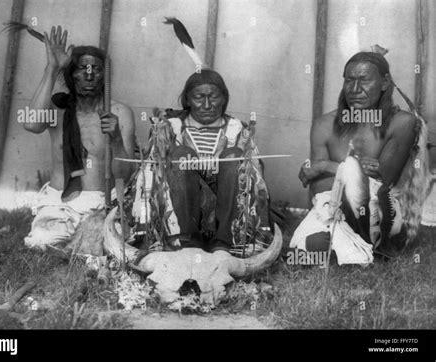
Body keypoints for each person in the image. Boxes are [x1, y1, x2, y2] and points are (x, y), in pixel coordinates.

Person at [292, 51, 424, 263]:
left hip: (381, 213)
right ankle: (361, 248)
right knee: (311, 247)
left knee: (366, 199)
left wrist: (326, 166)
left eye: (364, 81)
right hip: (332, 209)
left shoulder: (402, 123)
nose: (354, 90)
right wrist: (352, 169)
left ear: (384, 83)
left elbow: (383, 181)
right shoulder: (324, 124)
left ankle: (371, 243)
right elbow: (318, 188)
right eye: (349, 81)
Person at [23, 26, 136, 251]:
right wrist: (52, 67)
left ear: (106, 75)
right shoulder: (58, 108)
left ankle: (86, 238)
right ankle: (79, 241)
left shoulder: (119, 113)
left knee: (116, 243)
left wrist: (115, 140)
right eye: (82, 68)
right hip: (60, 203)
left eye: (96, 68)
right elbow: (32, 124)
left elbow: (125, 174)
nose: (89, 74)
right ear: (70, 74)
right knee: (43, 239)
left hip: (102, 201)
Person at [140, 69, 271, 254]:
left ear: (224, 99)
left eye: (214, 97)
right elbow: (151, 174)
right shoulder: (170, 129)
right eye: (199, 97)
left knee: (235, 156)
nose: (207, 105)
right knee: (181, 156)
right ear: (187, 100)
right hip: (179, 213)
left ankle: (226, 243)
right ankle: (187, 242)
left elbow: (256, 180)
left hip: (227, 212)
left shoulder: (237, 130)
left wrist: (223, 165)